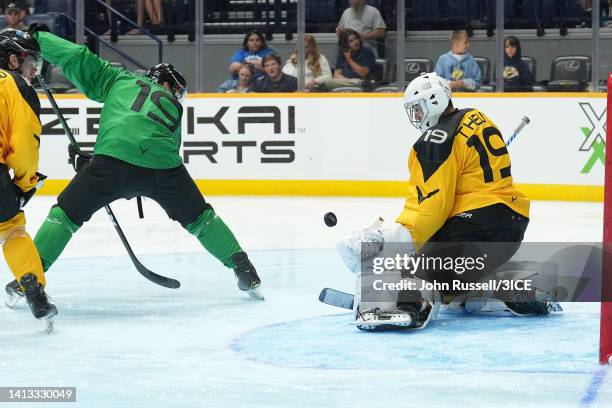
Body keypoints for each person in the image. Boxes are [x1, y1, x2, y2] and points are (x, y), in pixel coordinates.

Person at [5, 28, 263, 306]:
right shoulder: (175, 109)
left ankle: (28, 279)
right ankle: (244, 267)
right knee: (201, 218)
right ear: (166, 84)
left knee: (64, 216)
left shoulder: (120, 79)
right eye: (176, 89)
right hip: (164, 169)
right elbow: (150, 143)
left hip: (111, 163)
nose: (176, 95)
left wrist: (38, 38)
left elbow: (77, 56)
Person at [337, 73, 559, 331]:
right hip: (509, 229)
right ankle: (515, 286)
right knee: (454, 286)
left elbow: (431, 207)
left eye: (418, 109)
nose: (416, 118)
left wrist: (394, 239)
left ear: (434, 101)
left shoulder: (436, 139)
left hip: (475, 229)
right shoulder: (474, 117)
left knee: (409, 269)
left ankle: (408, 305)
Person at [0, 29, 56, 322]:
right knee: (11, 231)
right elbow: (23, 145)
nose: (34, 68)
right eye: (30, 59)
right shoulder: (15, 86)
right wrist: (23, 184)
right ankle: (33, 290)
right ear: (12, 59)